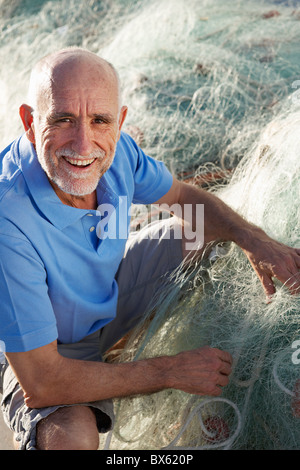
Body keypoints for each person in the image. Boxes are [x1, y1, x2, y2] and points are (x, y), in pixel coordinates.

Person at [0, 47, 299, 451]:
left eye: (99, 120)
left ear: (119, 122)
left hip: (107, 299)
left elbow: (183, 197)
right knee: (71, 440)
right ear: (30, 122)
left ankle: (114, 354)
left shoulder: (118, 152)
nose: (83, 143)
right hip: (39, 353)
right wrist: (169, 370)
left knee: (211, 232)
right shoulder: (8, 218)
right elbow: (42, 381)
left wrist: (253, 239)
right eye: (63, 119)